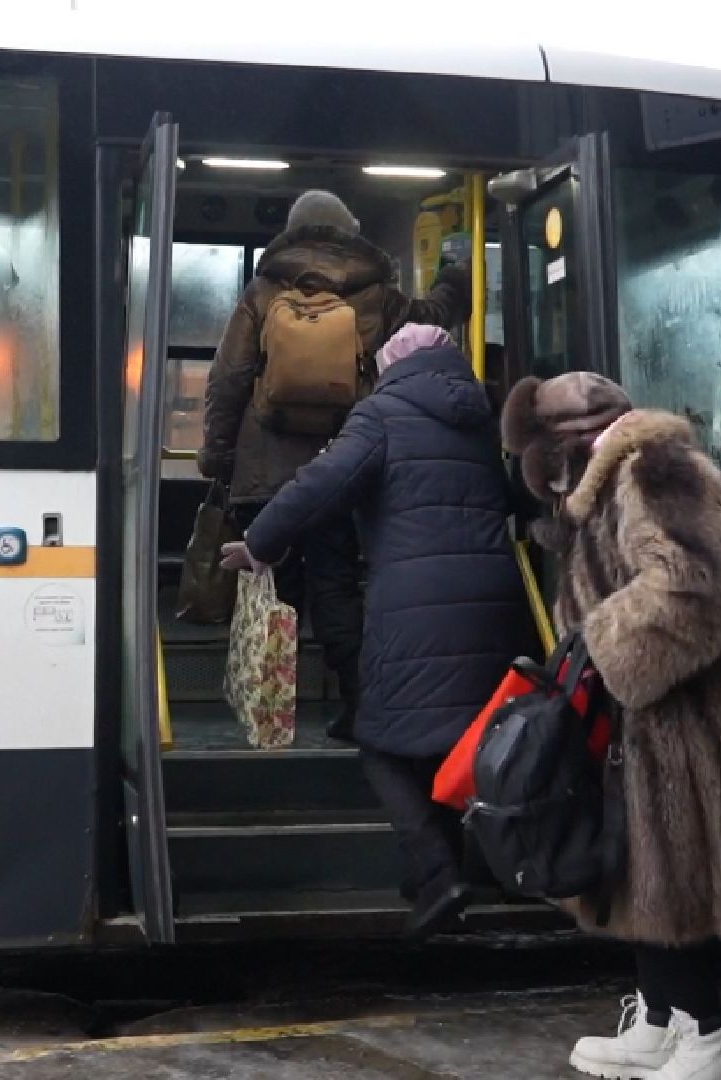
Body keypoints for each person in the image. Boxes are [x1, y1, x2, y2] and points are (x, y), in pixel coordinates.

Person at [503, 371, 721, 1080]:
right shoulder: (620, 478)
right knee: (642, 872)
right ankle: (663, 1018)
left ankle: (710, 1039)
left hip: (687, 724)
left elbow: (700, 579)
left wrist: (606, 645)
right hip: (652, 721)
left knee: (672, 875)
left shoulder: (653, 470)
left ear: (568, 447)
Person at [220, 324, 530, 938]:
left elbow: (320, 484)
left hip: (417, 605)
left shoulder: (382, 414)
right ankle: (468, 867)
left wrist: (260, 543)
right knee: (456, 737)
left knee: (382, 741)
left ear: (391, 366)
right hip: (495, 601)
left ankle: (437, 873)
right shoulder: (480, 417)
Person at [200, 190, 470, 742]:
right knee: (337, 586)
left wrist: (218, 454)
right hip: (345, 462)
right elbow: (433, 321)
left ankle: (271, 712)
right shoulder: (376, 293)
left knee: (271, 587)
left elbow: (229, 378)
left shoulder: (264, 289)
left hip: (266, 468)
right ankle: (359, 706)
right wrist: (455, 278)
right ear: (349, 230)